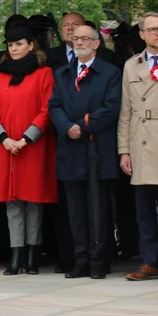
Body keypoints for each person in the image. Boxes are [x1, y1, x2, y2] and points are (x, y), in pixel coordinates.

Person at [49, 24, 121, 280]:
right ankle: (80, 260)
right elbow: (54, 105)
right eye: (75, 38)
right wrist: (67, 127)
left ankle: (99, 260)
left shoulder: (110, 73)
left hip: (97, 149)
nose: (79, 42)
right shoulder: (62, 73)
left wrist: (83, 125)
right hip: (70, 149)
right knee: (75, 211)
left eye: (85, 38)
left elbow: (111, 107)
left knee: (98, 209)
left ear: (96, 43)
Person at [0, 24, 57, 275]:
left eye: (19, 44)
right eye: (10, 45)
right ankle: (15, 255)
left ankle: (32, 255)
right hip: (5, 148)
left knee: (33, 201)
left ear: (30, 45)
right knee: (12, 202)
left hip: (32, 147)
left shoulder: (44, 74)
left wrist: (26, 139)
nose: (14, 49)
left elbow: (46, 109)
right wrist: (4, 138)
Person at [119, 12, 158, 281]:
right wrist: (124, 150)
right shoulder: (131, 66)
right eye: (153, 29)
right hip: (141, 143)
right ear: (142, 34)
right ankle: (149, 262)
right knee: (144, 211)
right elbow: (126, 111)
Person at [47, 12, 121, 69]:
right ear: (60, 30)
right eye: (65, 25)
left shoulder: (107, 57)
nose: (69, 28)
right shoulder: (49, 57)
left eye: (75, 24)